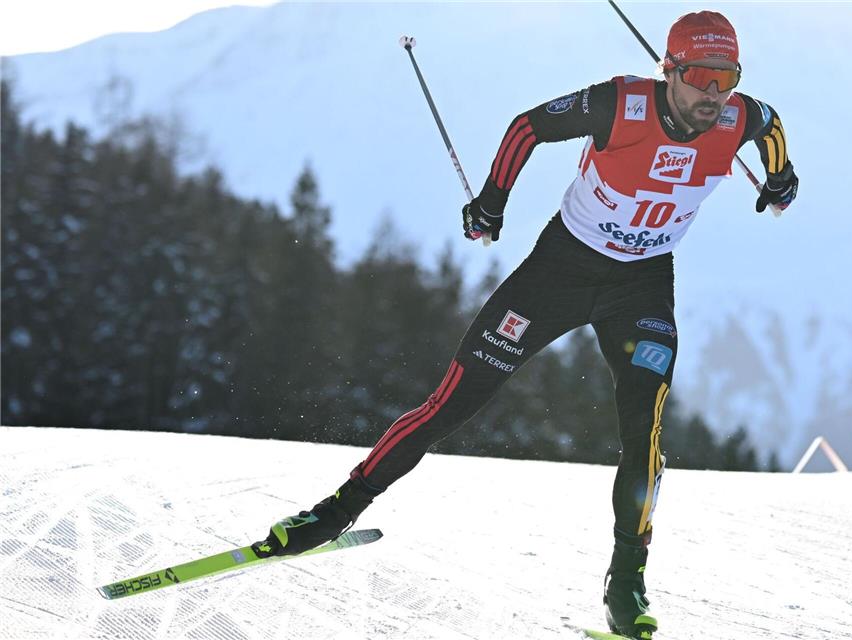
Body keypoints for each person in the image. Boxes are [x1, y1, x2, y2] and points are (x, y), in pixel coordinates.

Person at [252, 11, 798, 640]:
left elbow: (771, 128)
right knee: (451, 404)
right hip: (560, 273)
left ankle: (626, 584)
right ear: (669, 71)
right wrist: (491, 203)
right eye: (700, 76)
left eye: (727, 78)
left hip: (642, 287)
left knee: (644, 432)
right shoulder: (620, 104)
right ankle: (334, 512)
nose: (714, 93)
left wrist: (781, 178)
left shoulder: (739, 117)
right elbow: (527, 127)